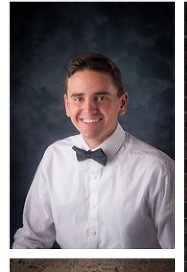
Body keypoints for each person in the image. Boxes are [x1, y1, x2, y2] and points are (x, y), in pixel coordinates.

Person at [13, 53, 174, 249]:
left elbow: (177, 255)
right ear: (67, 106)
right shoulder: (54, 157)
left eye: (101, 97)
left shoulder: (158, 169)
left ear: (122, 103)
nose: (89, 109)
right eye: (78, 98)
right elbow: (31, 241)